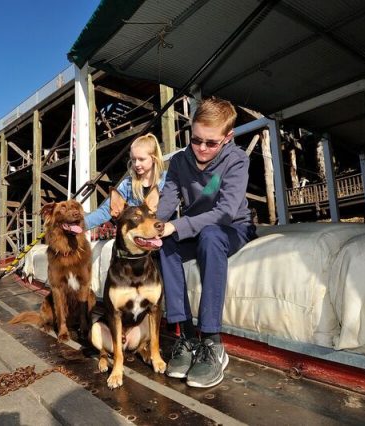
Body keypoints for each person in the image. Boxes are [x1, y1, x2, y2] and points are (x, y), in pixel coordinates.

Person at [156, 97, 256, 388]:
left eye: (211, 143)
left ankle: (212, 342)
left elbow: (225, 212)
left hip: (232, 227)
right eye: (196, 139)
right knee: (166, 243)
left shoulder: (237, 160)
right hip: (194, 227)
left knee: (211, 236)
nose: (201, 148)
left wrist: (178, 224)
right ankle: (185, 335)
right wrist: (152, 227)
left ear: (228, 137)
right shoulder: (178, 161)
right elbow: (167, 205)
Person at [84, 133, 166, 230]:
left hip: (161, 232)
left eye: (141, 159)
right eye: (133, 159)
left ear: (154, 158)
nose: (137, 164)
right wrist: (81, 224)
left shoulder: (168, 180)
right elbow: (106, 210)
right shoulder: (128, 183)